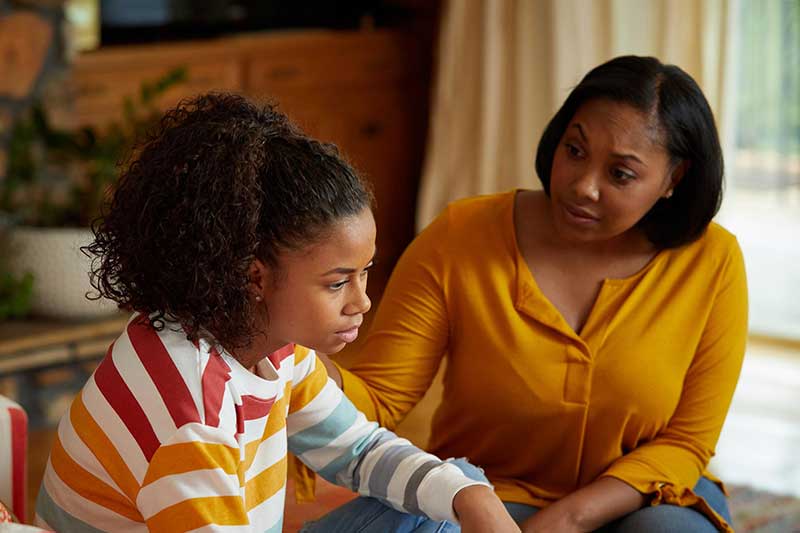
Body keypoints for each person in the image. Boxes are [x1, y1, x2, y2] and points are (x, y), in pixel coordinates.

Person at [34, 93, 520, 533]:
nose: (362, 302)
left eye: (365, 272)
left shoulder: (270, 347)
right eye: (336, 282)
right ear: (255, 278)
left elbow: (358, 451)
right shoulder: (190, 418)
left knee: (459, 488)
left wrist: (467, 495)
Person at [320, 55, 748, 533]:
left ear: (675, 179)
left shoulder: (713, 260)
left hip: (645, 498)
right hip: (492, 497)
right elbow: (379, 398)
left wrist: (565, 520)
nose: (583, 186)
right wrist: (290, 355)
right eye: (575, 151)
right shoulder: (462, 235)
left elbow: (687, 440)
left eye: (621, 174)